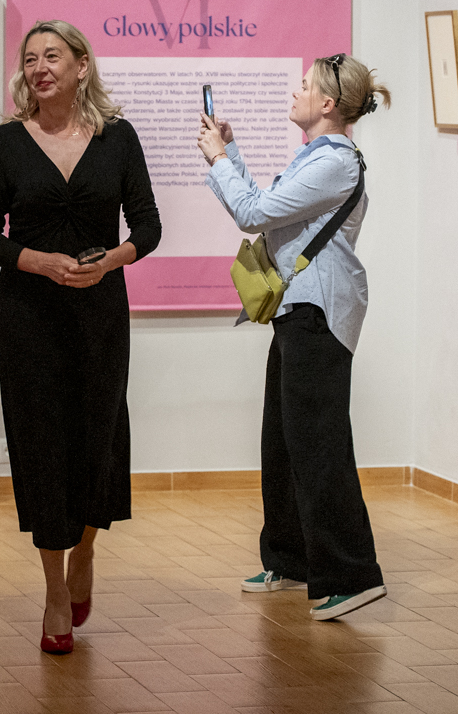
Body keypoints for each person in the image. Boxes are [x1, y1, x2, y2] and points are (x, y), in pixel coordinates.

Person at [0, 20, 161, 654]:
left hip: (100, 312)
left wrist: (110, 262)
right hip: (27, 316)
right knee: (41, 444)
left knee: (97, 440)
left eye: (52, 56)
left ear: (82, 66)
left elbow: (148, 226)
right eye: (30, 59)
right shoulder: (6, 141)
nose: (39, 67)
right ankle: (54, 589)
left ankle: (85, 551)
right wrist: (39, 261)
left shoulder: (118, 137)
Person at [197, 53, 390, 622]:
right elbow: (269, 209)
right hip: (297, 309)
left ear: (327, 103)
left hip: (318, 313)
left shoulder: (335, 162)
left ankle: (351, 575)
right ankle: (291, 559)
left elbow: (253, 214)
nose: (295, 92)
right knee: (282, 440)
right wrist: (230, 153)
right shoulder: (317, 156)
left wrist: (218, 160)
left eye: (304, 86)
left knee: (319, 444)